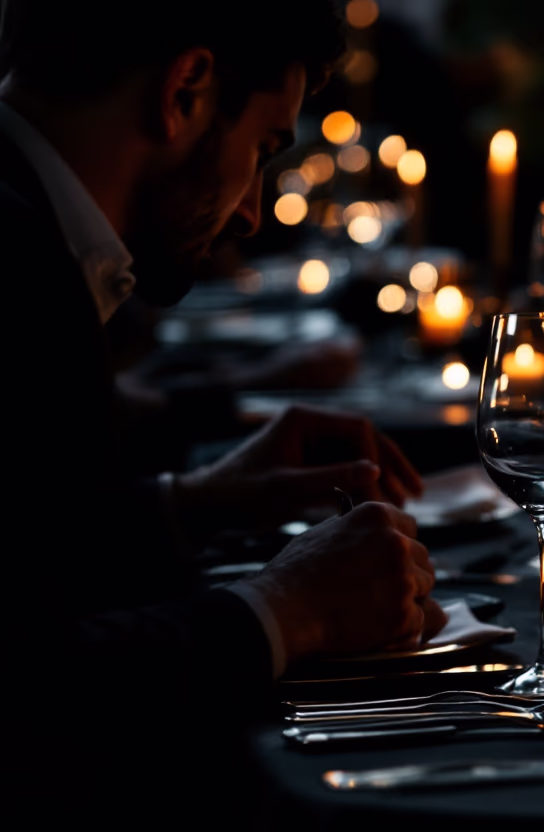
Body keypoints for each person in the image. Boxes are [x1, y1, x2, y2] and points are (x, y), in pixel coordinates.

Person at [0, 0, 446, 822]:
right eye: (265, 147)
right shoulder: (13, 270)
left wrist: (198, 500)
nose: (249, 211)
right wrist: (285, 609)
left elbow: (26, 555)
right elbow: (22, 696)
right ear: (186, 90)